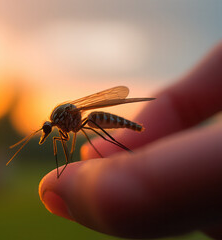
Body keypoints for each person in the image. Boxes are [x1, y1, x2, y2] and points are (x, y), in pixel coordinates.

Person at [39, 42, 222, 239]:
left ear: (54, 123)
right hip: (91, 120)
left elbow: (76, 132)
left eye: (47, 130)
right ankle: (117, 151)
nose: (48, 133)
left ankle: (122, 149)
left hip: (96, 118)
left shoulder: (65, 119)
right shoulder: (60, 126)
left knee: (96, 127)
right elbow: (70, 136)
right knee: (89, 134)